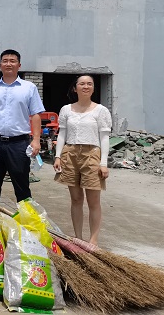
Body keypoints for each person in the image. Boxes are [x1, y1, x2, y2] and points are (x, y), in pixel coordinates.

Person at [0, 49, 44, 204]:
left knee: (21, 185)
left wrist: (36, 140)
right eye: (5, 61)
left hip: (19, 143)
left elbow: (36, 115)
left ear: (19, 65)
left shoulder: (29, 87)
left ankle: (26, 216)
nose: (9, 64)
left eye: (12, 61)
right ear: (0, 65)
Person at [53, 75, 112, 245]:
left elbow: (104, 137)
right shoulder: (66, 110)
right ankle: (78, 238)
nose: (86, 86)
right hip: (70, 154)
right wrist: (58, 156)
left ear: (93, 88)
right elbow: (62, 133)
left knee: (93, 201)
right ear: (75, 88)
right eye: (82, 84)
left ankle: (93, 241)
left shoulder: (100, 110)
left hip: (92, 154)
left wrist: (103, 163)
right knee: (76, 199)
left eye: (89, 84)